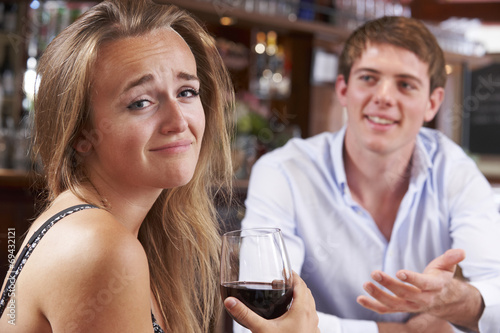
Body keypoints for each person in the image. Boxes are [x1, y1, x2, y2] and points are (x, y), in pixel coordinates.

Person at [0, 0, 319, 332]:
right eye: (141, 102)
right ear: (81, 134)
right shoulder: (99, 248)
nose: (178, 121)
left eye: (186, 91)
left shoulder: (105, 228)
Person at [239, 16, 500, 333]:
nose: (384, 97)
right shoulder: (284, 172)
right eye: (368, 78)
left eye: (405, 84)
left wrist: (455, 299)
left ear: (432, 103)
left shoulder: (456, 172)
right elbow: (259, 317)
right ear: (343, 89)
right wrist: (401, 332)